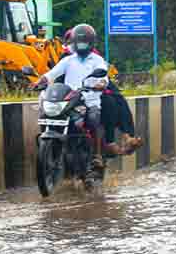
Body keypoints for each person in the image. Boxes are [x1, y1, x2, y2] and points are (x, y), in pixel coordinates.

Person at [36, 24, 111, 169]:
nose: (81, 46)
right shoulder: (68, 60)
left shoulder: (97, 60)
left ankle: (97, 155)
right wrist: (39, 81)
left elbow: (104, 76)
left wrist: (100, 83)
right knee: (48, 114)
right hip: (70, 100)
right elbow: (52, 73)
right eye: (79, 43)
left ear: (91, 43)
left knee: (94, 119)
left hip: (89, 100)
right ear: (74, 43)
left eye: (85, 43)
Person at [59, 28, 141, 156]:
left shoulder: (95, 58)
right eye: (75, 41)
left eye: (84, 41)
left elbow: (105, 79)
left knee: (115, 100)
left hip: (92, 95)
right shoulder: (65, 58)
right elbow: (55, 78)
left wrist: (101, 86)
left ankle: (123, 138)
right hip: (71, 97)